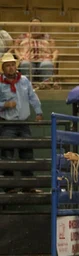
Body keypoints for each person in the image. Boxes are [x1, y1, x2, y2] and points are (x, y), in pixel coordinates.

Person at [0, 52, 43, 193]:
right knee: (7, 154)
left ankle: (28, 185)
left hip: (23, 122)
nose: (11, 68)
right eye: (8, 66)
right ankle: (9, 187)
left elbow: (33, 96)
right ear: (3, 68)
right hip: (8, 123)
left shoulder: (24, 80)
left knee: (27, 153)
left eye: (12, 65)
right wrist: (4, 105)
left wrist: (38, 111)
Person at [12, 17, 57, 89]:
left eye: (37, 25)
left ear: (41, 27)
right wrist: (20, 57)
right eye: (33, 25)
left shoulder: (47, 37)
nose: (35, 27)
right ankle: (27, 86)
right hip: (27, 59)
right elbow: (15, 49)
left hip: (44, 59)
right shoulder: (22, 36)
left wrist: (54, 59)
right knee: (25, 64)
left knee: (47, 64)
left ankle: (45, 85)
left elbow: (55, 50)